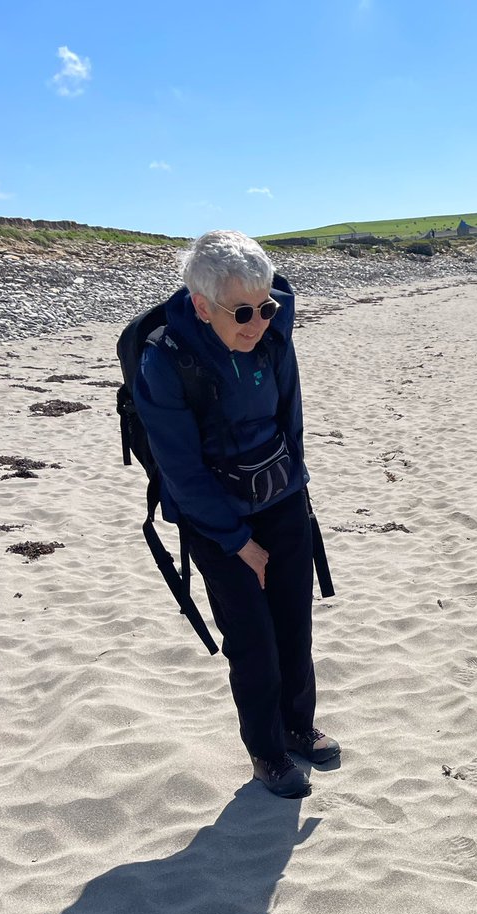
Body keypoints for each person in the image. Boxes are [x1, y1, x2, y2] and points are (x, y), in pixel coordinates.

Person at [134, 230, 339, 798]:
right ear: (201, 306)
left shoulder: (274, 332)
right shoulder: (164, 362)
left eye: (267, 305)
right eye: (243, 311)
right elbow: (181, 473)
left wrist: (295, 494)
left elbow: (289, 416)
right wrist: (237, 542)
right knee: (254, 643)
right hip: (215, 519)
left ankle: (298, 728)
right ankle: (268, 755)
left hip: (283, 500)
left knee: (295, 627)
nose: (258, 322)